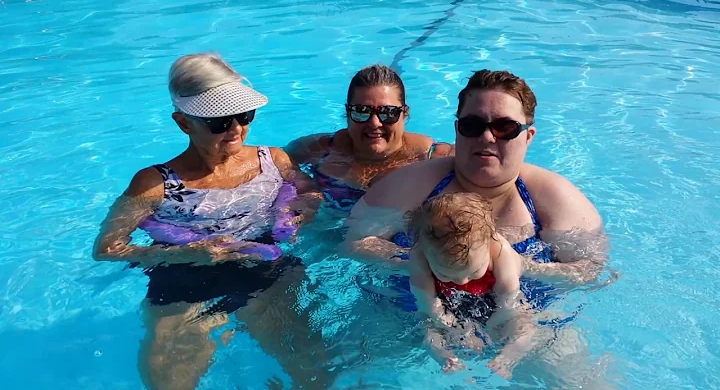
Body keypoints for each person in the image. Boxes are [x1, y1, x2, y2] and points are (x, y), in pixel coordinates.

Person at [92, 53, 332, 390]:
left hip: (262, 266)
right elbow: (106, 248)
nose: (236, 129)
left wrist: (301, 210)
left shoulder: (273, 160)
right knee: (168, 383)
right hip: (184, 279)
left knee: (315, 373)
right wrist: (187, 253)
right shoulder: (153, 184)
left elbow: (307, 190)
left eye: (243, 115)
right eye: (219, 121)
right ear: (183, 123)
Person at [344, 69, 609, 293]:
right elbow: (353, 242)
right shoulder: (412, 185)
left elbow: (590, 270)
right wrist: (414, 260)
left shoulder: (554, 198)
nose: (487, 137)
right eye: (473, 125)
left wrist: (524, 266)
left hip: (529, 319)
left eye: (504, 127)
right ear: (457, 129)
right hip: (409, 312)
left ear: (528, 136)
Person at [286, 64, 454, 213]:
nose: (375, 123)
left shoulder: (435, 158)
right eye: (362, 111)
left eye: (388, 112)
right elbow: (272, 166)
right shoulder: (317, 150)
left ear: (404, 113)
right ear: (347, 113)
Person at [407, 191, 534, 378]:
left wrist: (490, 328)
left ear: (489, 242)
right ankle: (445, 358)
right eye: (445, 274)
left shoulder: (500, 251)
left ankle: (509, 356)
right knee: (427, 328)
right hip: (447, 301)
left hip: (493, 295)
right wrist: (457, 329)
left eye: (474, 272)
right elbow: (427, 305)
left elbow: (508, 301)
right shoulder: (419, 257)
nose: (462, 281)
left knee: (524, 322)